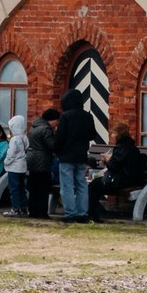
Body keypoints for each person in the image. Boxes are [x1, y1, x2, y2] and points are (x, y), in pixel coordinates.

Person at [87, 121, 145, 222]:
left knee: (94, 185)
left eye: (113, 133)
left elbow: (113, 167)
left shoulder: (121, 148)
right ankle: (94, 212)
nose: (112, 135)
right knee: (95, 184)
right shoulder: (130, 146)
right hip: (129, 178)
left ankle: (92, 214)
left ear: (118, 134)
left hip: (122, 180)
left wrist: (107, 160)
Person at [54, 89, 97, 224]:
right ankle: (82, 213)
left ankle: (70, 214)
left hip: (66, 156)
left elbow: (60, 137)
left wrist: (57, 150)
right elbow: (92, 135)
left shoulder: (66, 117)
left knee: (67, 186)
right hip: (81, 155)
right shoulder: (87, 116)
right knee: (81, 185)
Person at [27, 108, 60, 219]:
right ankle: (42, 213)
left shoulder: (34, 127)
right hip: (42, 160)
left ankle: (32, 211)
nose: (57, 123)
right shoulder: (46, 129)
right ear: (51, 119)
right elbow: (52, 145)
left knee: (34, 188)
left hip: (32, 159)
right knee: (43, 188)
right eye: (57, 121)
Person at [2, 115, 30, 217]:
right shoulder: (24, 137)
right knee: (21, 188)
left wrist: (6, 162)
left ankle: (15, 208)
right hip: (22, 166)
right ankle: (23, 208)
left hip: (14, 167)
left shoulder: (14, 140)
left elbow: (11, 153)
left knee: (14, 189)